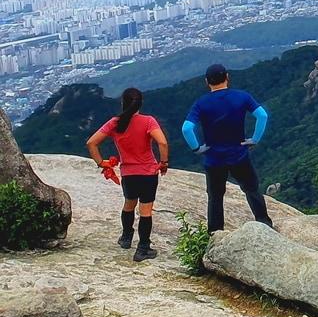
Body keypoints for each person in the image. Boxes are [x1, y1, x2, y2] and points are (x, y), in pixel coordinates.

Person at [182, 64, 274, 232]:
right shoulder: (242, 97)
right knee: (251, 189)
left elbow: (186, 128)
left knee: (215, 197)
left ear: (207, 82)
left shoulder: (201, 103)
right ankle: (264, 223)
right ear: (227, 77)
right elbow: (262, 115)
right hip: (239, 154)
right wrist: (255, 139)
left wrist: (197, 148)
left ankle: (215, 233)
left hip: (214, 158)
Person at [85, 87, 169, 262]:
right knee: (146, 210)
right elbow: (162, 142)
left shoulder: (115, 123)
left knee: (129, 205)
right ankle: (143, 248)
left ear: (123, 103)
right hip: (148, 173)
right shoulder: (148, 121)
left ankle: (126, 238)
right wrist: (163, 163)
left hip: (129, 174)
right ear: (140, 103)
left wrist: (102, 163)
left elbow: (91, 143)